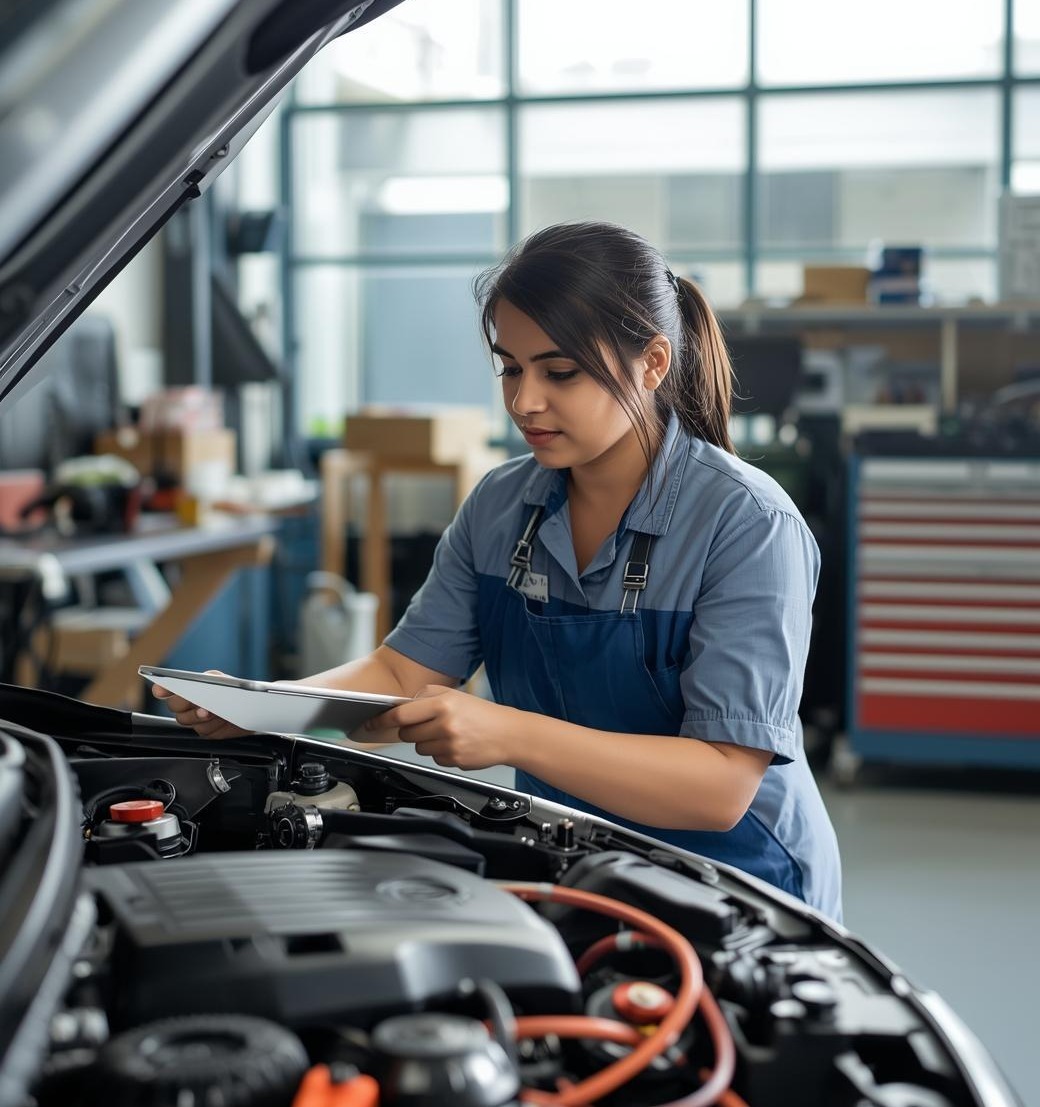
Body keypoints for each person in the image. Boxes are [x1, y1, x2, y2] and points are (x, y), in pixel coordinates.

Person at [155, 221, 843, 921]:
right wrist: (259, 705)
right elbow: (403, 676)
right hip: (581, 859)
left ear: (654, 362)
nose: (523, 402)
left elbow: (719, 787)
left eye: (560, 372)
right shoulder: (500, 505)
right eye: (511, 367)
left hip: (741, 890)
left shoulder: (748, 524)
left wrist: (507, 733)